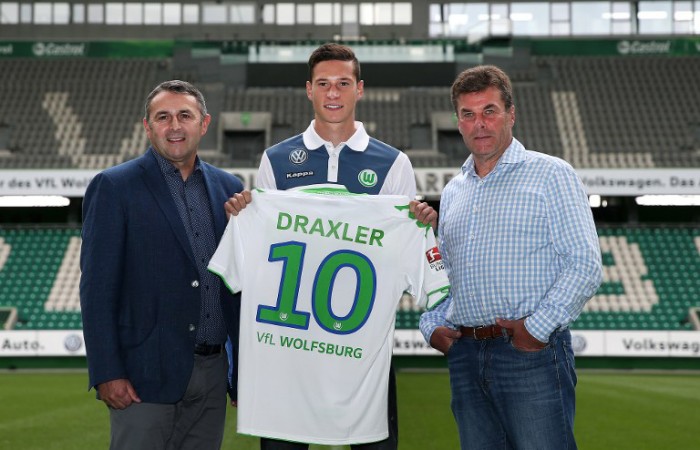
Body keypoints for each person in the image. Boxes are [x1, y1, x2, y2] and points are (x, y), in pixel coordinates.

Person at [225, 43, 436, 450]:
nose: (333, 93)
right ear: (308, 90)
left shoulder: (394, 163)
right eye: (324, 83)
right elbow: (266, 254)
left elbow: (402, 254)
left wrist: (420, 225)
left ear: (360, 89)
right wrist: (245, 214)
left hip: (363, 351)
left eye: (343, 83)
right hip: (291, 352)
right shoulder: (276, 159)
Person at [419, 65, 603, 449]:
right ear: (458, 122)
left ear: (511, 114)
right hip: (466, 356)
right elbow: (450, 278)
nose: (479, 123)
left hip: (529, 356)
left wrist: (536, 331)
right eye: (468, 114)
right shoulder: (453, 191)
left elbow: (585, 264)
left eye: (490, 111)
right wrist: (431, 324)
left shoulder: (551, 174)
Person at [80, 80, 244, 450]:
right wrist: (107, 371)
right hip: (143, 376)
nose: (174, 126)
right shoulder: (114, 186)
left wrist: (243, 370)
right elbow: (97, 288)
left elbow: (236, 286)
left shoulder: (228, 189)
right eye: (163, 117)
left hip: (213, 373)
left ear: (204, 124)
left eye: (185, 116)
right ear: (147, 126)